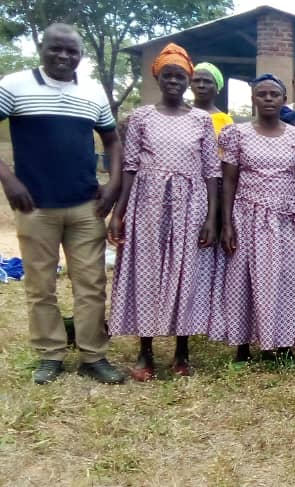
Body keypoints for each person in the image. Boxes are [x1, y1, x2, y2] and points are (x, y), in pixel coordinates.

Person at [0, 23, 125, 384]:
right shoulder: (14, 85)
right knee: (40, 285)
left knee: (91, 284)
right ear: (43, 48)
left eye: (71, 51)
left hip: (86, 205)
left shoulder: (91, 91)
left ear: (80, 56)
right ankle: (50, 354)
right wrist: (9, 181)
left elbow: (112, 141)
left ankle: (93, 355)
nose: (64, 56)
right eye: (56, 48)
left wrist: (113, 185)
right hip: (34, 206)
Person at [106, 43, 219, 381]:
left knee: (186, 274)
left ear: (187, 80)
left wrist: (212, 217)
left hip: (191, 204)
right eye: (167, 75)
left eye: (180, 76)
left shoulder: (202, 120)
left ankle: (182, 352)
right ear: (158, 77)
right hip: (149, 203)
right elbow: (129, 167)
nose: (174, 81)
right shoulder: (140, 117)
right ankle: (145, 352)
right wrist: (118, 212)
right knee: (148, 273)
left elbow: (212, 171)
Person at [210, 73, 295, 363]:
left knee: (287, 280)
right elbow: (228, 181)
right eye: (262, 94)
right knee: (243, 280)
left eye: (274, 95)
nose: (268, 99)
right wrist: (226, 223)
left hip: (285, 217)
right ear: (253, 99)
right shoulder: (236, 134)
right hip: (247, 216)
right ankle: (242, 345)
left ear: (283, 100)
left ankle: (280, 344)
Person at [191, 62, 234, 134]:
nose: (201, 85)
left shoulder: (225, 121)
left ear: (217, 87)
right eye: (196, 81)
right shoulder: (181, 115)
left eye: (207, 81)